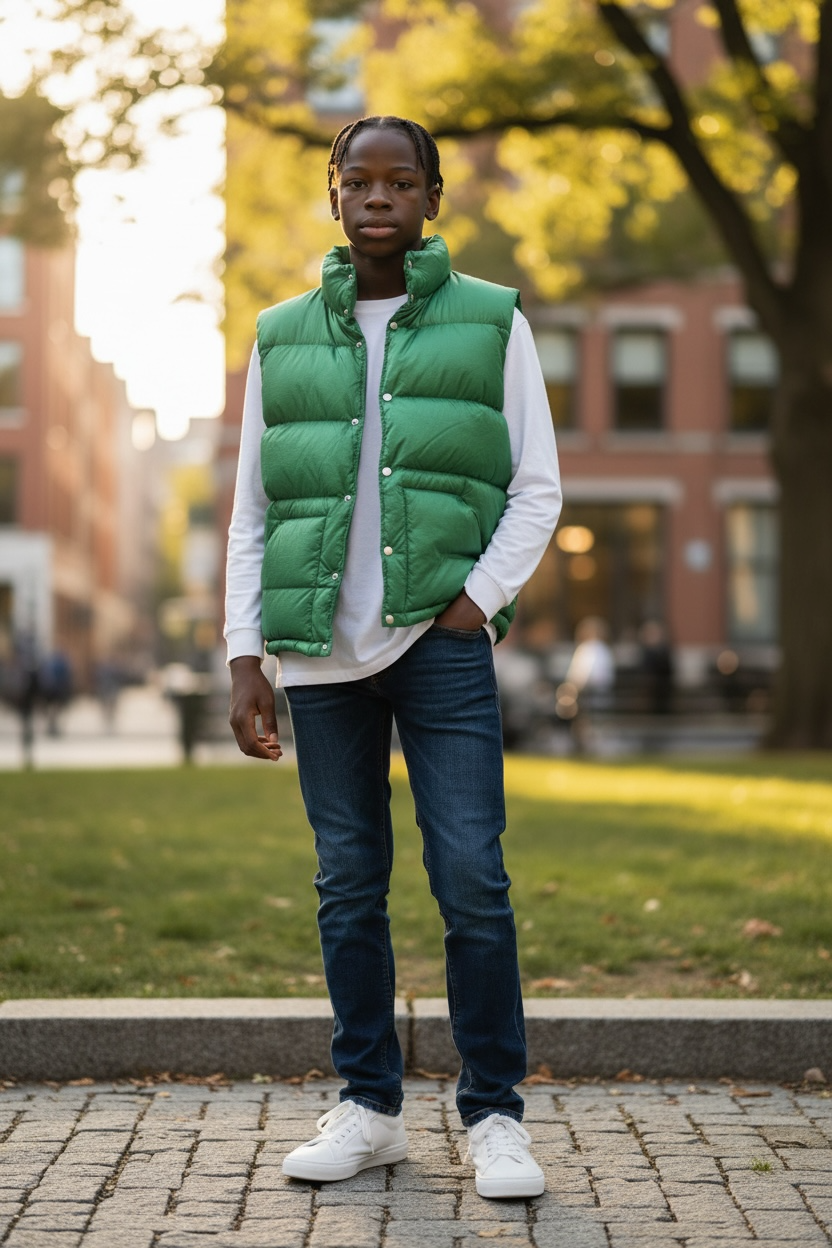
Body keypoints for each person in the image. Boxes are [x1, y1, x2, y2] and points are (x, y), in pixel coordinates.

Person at [225, 115, 562, 1199]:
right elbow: (253, 511)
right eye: (359, 181)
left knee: (471, 878)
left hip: (439, 645)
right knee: (347, 884)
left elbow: (537, 487)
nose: (379, 198)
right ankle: (369, 1107)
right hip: (321, 656)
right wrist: (243, 653)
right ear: (332, 193)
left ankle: (495, 1115)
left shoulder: (493, 320)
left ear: (431, 198)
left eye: (400, 182)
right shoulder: (280, 335)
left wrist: (474, 603)